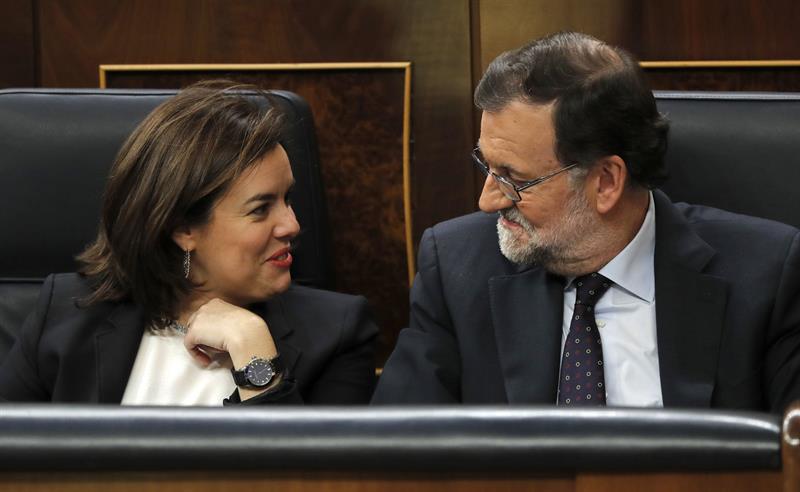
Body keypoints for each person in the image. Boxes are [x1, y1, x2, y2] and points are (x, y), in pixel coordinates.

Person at [373, 32, 800, 412]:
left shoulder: (767, 276)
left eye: (514, 179)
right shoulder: (455, 267)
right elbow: (393, 451)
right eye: (486, 167)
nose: (486, 200)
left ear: (606, 181)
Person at [0, 80, 377, 405]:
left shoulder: (338, 334)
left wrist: (255, 352)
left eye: (288, 199)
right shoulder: (66, 314)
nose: (292, 225)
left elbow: (307, 481)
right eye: (261, 209)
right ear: (183, 229)